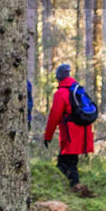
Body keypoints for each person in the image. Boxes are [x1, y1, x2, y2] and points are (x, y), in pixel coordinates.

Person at [43, 64, 94, 195]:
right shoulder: (77, 90)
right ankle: (72, 188)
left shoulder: (61, 93)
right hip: (82, 131)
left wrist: (47, 136)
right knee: (70, 160)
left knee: (65, 162)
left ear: (59, 77)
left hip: (71, 133)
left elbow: (54, 117)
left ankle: (73, 189)